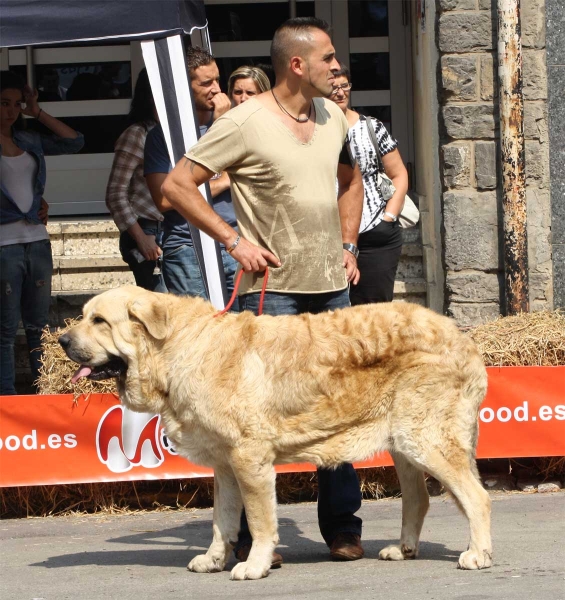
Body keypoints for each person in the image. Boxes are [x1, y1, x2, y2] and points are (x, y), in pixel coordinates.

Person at [162, 18, 366, 564]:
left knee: (338, 409)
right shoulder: (246, 121)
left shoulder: (331, 116)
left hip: (330, 291)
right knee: (255, 419)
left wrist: (349, 243)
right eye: (328, 58)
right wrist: (232, 241)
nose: (337, 67)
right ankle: (255, 540)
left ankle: (342, 529)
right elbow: (176, 185)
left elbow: (351, 180)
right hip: (270, 293)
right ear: (297, 65)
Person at [0, 70, 84, 395]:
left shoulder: (27, 138)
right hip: (4, 247)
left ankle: (43, 395)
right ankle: (7, 403)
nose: (10, 110)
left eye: (15, 103)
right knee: (5, 330)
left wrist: (37, 112)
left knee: (39, 327)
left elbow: (74, 141)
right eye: (3, 103)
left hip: (36, 243)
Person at [144, 46, 238, 303]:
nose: (217, 89)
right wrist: (225, 180)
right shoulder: (163, 137)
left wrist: (223, 125)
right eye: (206, 83)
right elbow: (164, 200)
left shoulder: (233, 123)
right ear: (185, 87)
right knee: (200, 334)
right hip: (188, 246)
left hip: (236, 241)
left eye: (218, 79)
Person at [329, 63, 408, 304]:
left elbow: (399, 174)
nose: (340, 92)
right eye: (333, 88)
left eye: (345, 86)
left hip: (375, 233)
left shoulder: (371, 127)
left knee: (374, 316)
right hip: (331, 235)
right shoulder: (311, 130)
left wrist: (389, 218)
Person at [106, 68, 166, 293]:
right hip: (148, 229)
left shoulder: (177, 131)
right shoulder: (137, 133)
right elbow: (115, 194)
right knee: (157, 307)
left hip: (173, 230)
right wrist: (141, 238)